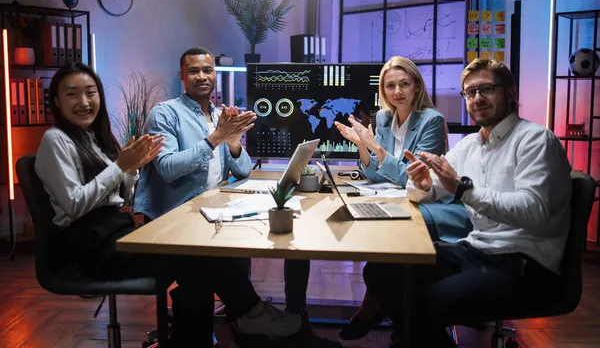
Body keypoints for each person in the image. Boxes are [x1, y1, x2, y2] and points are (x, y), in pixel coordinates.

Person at [35, 62, 302, 347]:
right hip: (89, 246)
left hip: (114, 231)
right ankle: (249, 312)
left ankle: (208, 332)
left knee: (198, 261)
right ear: (56, 101)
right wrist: (120, 167)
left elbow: (119, 199)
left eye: (91, 93)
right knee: (198, 255)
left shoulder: (94, 139)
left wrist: (130, 170)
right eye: (72, 94)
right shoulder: (55, 140)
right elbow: (75, 205)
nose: (84, 102)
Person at [360, 59, 572, 347]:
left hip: (523, 263)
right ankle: (416, 337)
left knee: (419, 304)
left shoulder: (536, 140)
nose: (477, 99)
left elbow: (533, 212)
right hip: (475, 250)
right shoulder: (470, 144)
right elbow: (428, 188)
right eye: (470, 93)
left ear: (511, 93)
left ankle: (411, 335)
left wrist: (462, 189)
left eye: (487, 89)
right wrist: (421, 185)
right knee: (379, 271)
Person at [330, 56, 471, 340]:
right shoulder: (383, 118)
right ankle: (397, 321)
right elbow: (376, 177)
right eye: (390, 85)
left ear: (417, 87)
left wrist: (378, 151)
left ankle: (382, 316)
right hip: (396, 200)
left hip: (430, 204)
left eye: (404, 84)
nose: (397, 92)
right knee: (382, 252)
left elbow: (416, 181)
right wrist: (363, 148)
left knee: (385, 261)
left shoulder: (432, 121)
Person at [135, 47, 256, 221]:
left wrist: (234, 142)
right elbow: (168, 169)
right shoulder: (164, 113)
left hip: (213, 210)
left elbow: (244, 172)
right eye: (193, 71)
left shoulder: (218, 117)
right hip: (172, 217)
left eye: (207, 70)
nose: (201, 77)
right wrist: (216, 138)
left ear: (214, 74)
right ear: (182, 76)